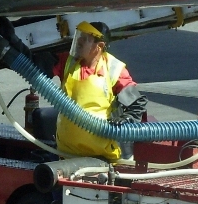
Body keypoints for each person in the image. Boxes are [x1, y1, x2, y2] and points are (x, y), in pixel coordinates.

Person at [51, 21, 147, 161]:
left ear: (99, 46)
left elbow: (136, 102)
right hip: (67, 153)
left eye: (85, 39)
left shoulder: (114, 69)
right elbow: (39, 67)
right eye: (80, 36)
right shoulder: (68, 61)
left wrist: (127, 119)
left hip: (102, 158)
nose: (79, 41)